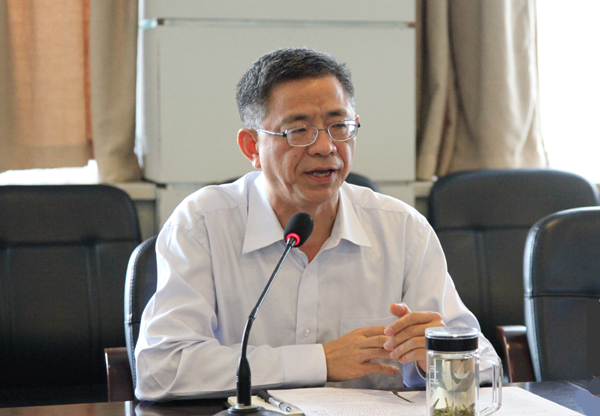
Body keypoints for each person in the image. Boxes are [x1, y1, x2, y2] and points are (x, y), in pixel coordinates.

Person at [135, 47, 498, 401]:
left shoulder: (402, 230)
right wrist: (321, 361)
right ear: (251, 147)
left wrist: (435, 357)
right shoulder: (202, 225)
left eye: (339, 126)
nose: (325, 147)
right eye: (299, 130)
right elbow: (161, 368)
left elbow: (485, 364)